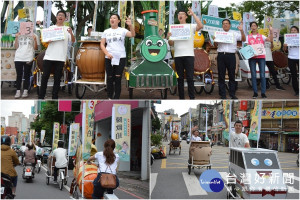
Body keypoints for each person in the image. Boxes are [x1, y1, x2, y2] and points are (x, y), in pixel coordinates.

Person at [38, 10, 75, 99]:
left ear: (65, 18)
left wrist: (71, 33)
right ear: (57, 17)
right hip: (49, 56)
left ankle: (55, 96)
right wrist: (48, 40)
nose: (60, 16)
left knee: (57, 78)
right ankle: (41, 96)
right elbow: (45, 40)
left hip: (60, 57)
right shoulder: (51, 28)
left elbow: (73, 41)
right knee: (45, 76)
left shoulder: (67, 29)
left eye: (62, 15)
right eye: (59, 15)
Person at [168, 8, 203, 99]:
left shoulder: (190, 26)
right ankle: (181, 97)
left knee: (190, 78)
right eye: (179, 14)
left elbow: (200, 26)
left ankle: (192, 97)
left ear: (186, 17)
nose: (180, 15)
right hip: (178, 55)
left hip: (189, 55)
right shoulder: (174, 28)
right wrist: (169, 38)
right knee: (180, 78)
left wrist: (193, 14)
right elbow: (171, 43)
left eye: (182, 14)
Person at [100, 14, 135, 99]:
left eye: (114, 18)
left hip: (120, 57)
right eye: (111, 18)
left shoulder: (122, 30)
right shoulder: (106, 31)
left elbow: (132, 35)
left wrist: (130, 25)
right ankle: (109, 97)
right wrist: (107, 53)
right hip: (109, 57)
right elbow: (102, 44)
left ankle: (116, 97)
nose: (112, 19)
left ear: (118, 21)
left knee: (118, 77)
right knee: (110, 77)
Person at [215, 19, 246, 99]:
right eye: (224, 24)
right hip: (221, 55)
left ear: (230, 25)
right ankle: (223, 94)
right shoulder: (219, 33)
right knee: (221, 75)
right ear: (222, 25)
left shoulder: (234, 33)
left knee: (232, 75)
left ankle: (232, 94)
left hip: (231, 55)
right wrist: (215, 39)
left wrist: (242, 30)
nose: (225, 25)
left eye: (227, 23)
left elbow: (243, 39)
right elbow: (215, 44)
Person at [247, 22, 273, 99]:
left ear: (257, 27)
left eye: (255, 25)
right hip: (252, 58)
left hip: (261, 56)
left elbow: (270, 40)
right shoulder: (248, 37)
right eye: (252, 26)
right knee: (253, 75)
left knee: (262, 75)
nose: (253, 27)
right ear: (250, 27)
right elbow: (245, 47)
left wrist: (271, 31)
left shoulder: (261, 36)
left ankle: (263, 93)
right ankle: (255, 93)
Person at [14, 22, 38, 98]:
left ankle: (25, 91)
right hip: (18, 57)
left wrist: (35, 40)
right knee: (19, 75)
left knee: (27, 74)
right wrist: (16, 37)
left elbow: (36, 48)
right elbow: (16, 47)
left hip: (28, 56)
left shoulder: (34, 36)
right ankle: (18, 91)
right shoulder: (19, 35)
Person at [283, 26, 299, 96]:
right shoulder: (287, 39)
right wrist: (284, 46)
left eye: (294, 30)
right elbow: (285, 50)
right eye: (292, 30)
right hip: (291, 58)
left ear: (298, 31)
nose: (293, 31)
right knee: (294, 75)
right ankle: (296, 91)